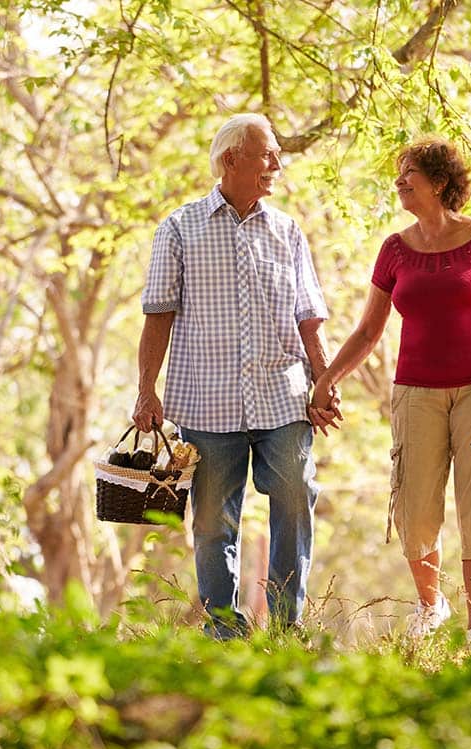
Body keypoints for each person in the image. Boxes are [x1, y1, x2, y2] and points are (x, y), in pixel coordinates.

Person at [310, 136, 471, 658]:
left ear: (440, 182)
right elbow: (368, 331)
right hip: (415, 395)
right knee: (415, 508)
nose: (399, 180)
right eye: (399, 172)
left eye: (409, 172)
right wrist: (327, 378)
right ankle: (432, 607)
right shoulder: (394, 249)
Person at [134, 113, 337, 639]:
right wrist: (145, 391)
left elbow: (308, 318)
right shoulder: (179, 228)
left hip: (282, 396)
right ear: (231, 160)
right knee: (210, 525)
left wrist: (324, 380)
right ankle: (224, 630)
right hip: (206, 402)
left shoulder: (287, 230)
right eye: (267, 154)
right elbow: (158, 314)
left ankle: (287, 626)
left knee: (296, 495)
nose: (276, 165)